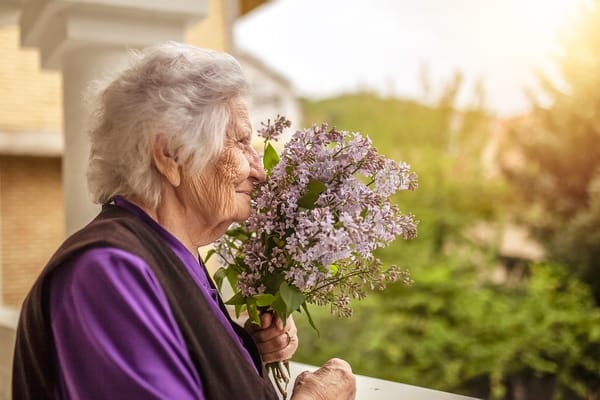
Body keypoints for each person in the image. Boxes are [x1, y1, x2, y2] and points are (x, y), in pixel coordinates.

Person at [12, 41, 356, 400]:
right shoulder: (109, 270)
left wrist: (240, 351)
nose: (260, 171)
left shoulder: (168, 252)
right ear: (170, 155)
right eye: (240, 142)